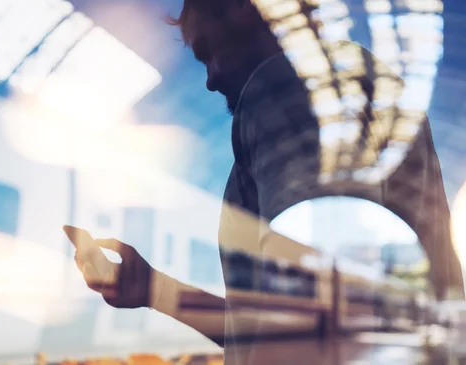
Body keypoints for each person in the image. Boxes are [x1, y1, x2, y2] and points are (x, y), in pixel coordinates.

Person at [66, 0, 463, 363]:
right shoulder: (346, 84)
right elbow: (289, 325)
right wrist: (155, 290)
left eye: (209, 53)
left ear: (242, 9)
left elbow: (314, 325)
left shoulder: (286, 85)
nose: (210, 79)